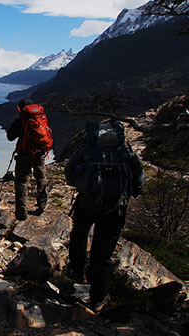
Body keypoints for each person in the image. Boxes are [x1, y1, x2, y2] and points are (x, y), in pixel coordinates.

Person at [65, 120, 145, 312]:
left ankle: (78, 271)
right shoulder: (125, 152)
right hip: (115, 207)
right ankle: (98, 299)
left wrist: (81, 184)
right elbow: (140, 177)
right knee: (103, 253)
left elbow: (69, 171)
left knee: (79, 234)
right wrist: (132, 191)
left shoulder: (86, 150)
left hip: (86, 203)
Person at [6, 99, 50, 220]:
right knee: (41, 177)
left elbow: (10, 137)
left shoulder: (21, 120)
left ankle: (21, 212)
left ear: (20, 109)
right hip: (39, 153)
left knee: (21, 182)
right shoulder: (41, 118)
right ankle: (42, 205)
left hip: (24, 154)